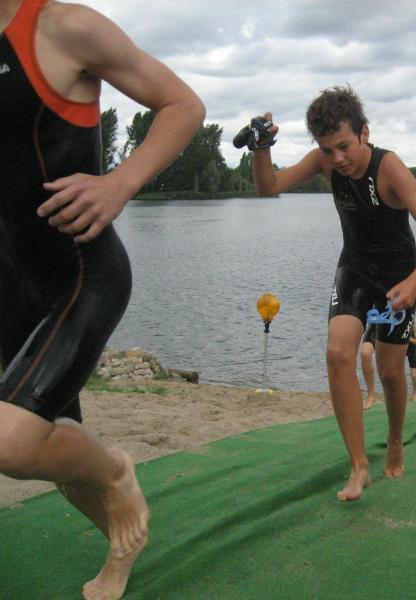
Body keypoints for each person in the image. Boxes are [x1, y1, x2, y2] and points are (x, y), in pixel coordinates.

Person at [0, 1, 205, 598]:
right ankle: (122, 542)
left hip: (82, 274)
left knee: (13, 440)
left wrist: (121, 182)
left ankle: (118, 474)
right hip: (11, 285)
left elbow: (184, 105)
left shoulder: (64, 27)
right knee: (60, 447)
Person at [251, 86, 416, 501]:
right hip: (355, 268)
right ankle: (359, 465)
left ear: (364, 133)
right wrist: (261, 147)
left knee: (391, 373)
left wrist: (414, 283)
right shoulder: (324, 161)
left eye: (344, 146)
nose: (337, 158)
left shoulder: (389, 167)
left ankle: (395, 440)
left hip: (397, 278)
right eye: (328, 149)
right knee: (339, 352)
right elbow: (269, 187)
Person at [359, 324, 378, 409]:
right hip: (376, 324)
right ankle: (371, 395)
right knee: (365, 354)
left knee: (390, 366)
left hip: (397, 324)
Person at [406, 320, 416, 402]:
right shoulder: (398, 322)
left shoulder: (414, 326)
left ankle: (415, 393)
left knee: (414, 375)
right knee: (396, 371)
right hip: (401, 348)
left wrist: (408, 338)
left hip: (411, 349)